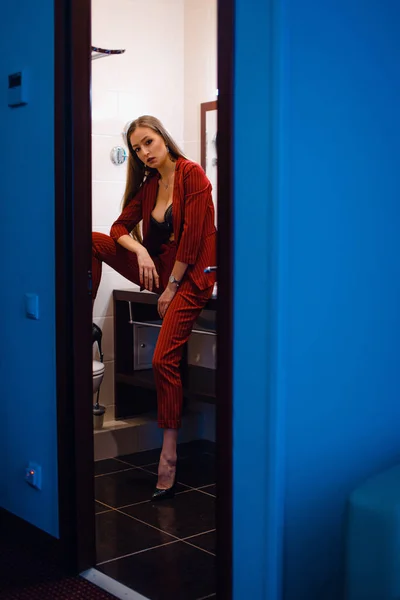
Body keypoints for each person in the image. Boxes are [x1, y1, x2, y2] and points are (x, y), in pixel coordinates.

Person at [92, 115, 216, 500]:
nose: (144, 152)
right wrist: (140, 248)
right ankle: (82, 323)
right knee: (91, 239)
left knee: (163, 360)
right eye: (136, 148)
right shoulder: (148, 187)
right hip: (162, 271)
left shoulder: (191, 175)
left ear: (162, 137)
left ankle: (169, 453)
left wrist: (170, 289)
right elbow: (116, 229)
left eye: (148, 142)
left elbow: (193, 242)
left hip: (192, 275)